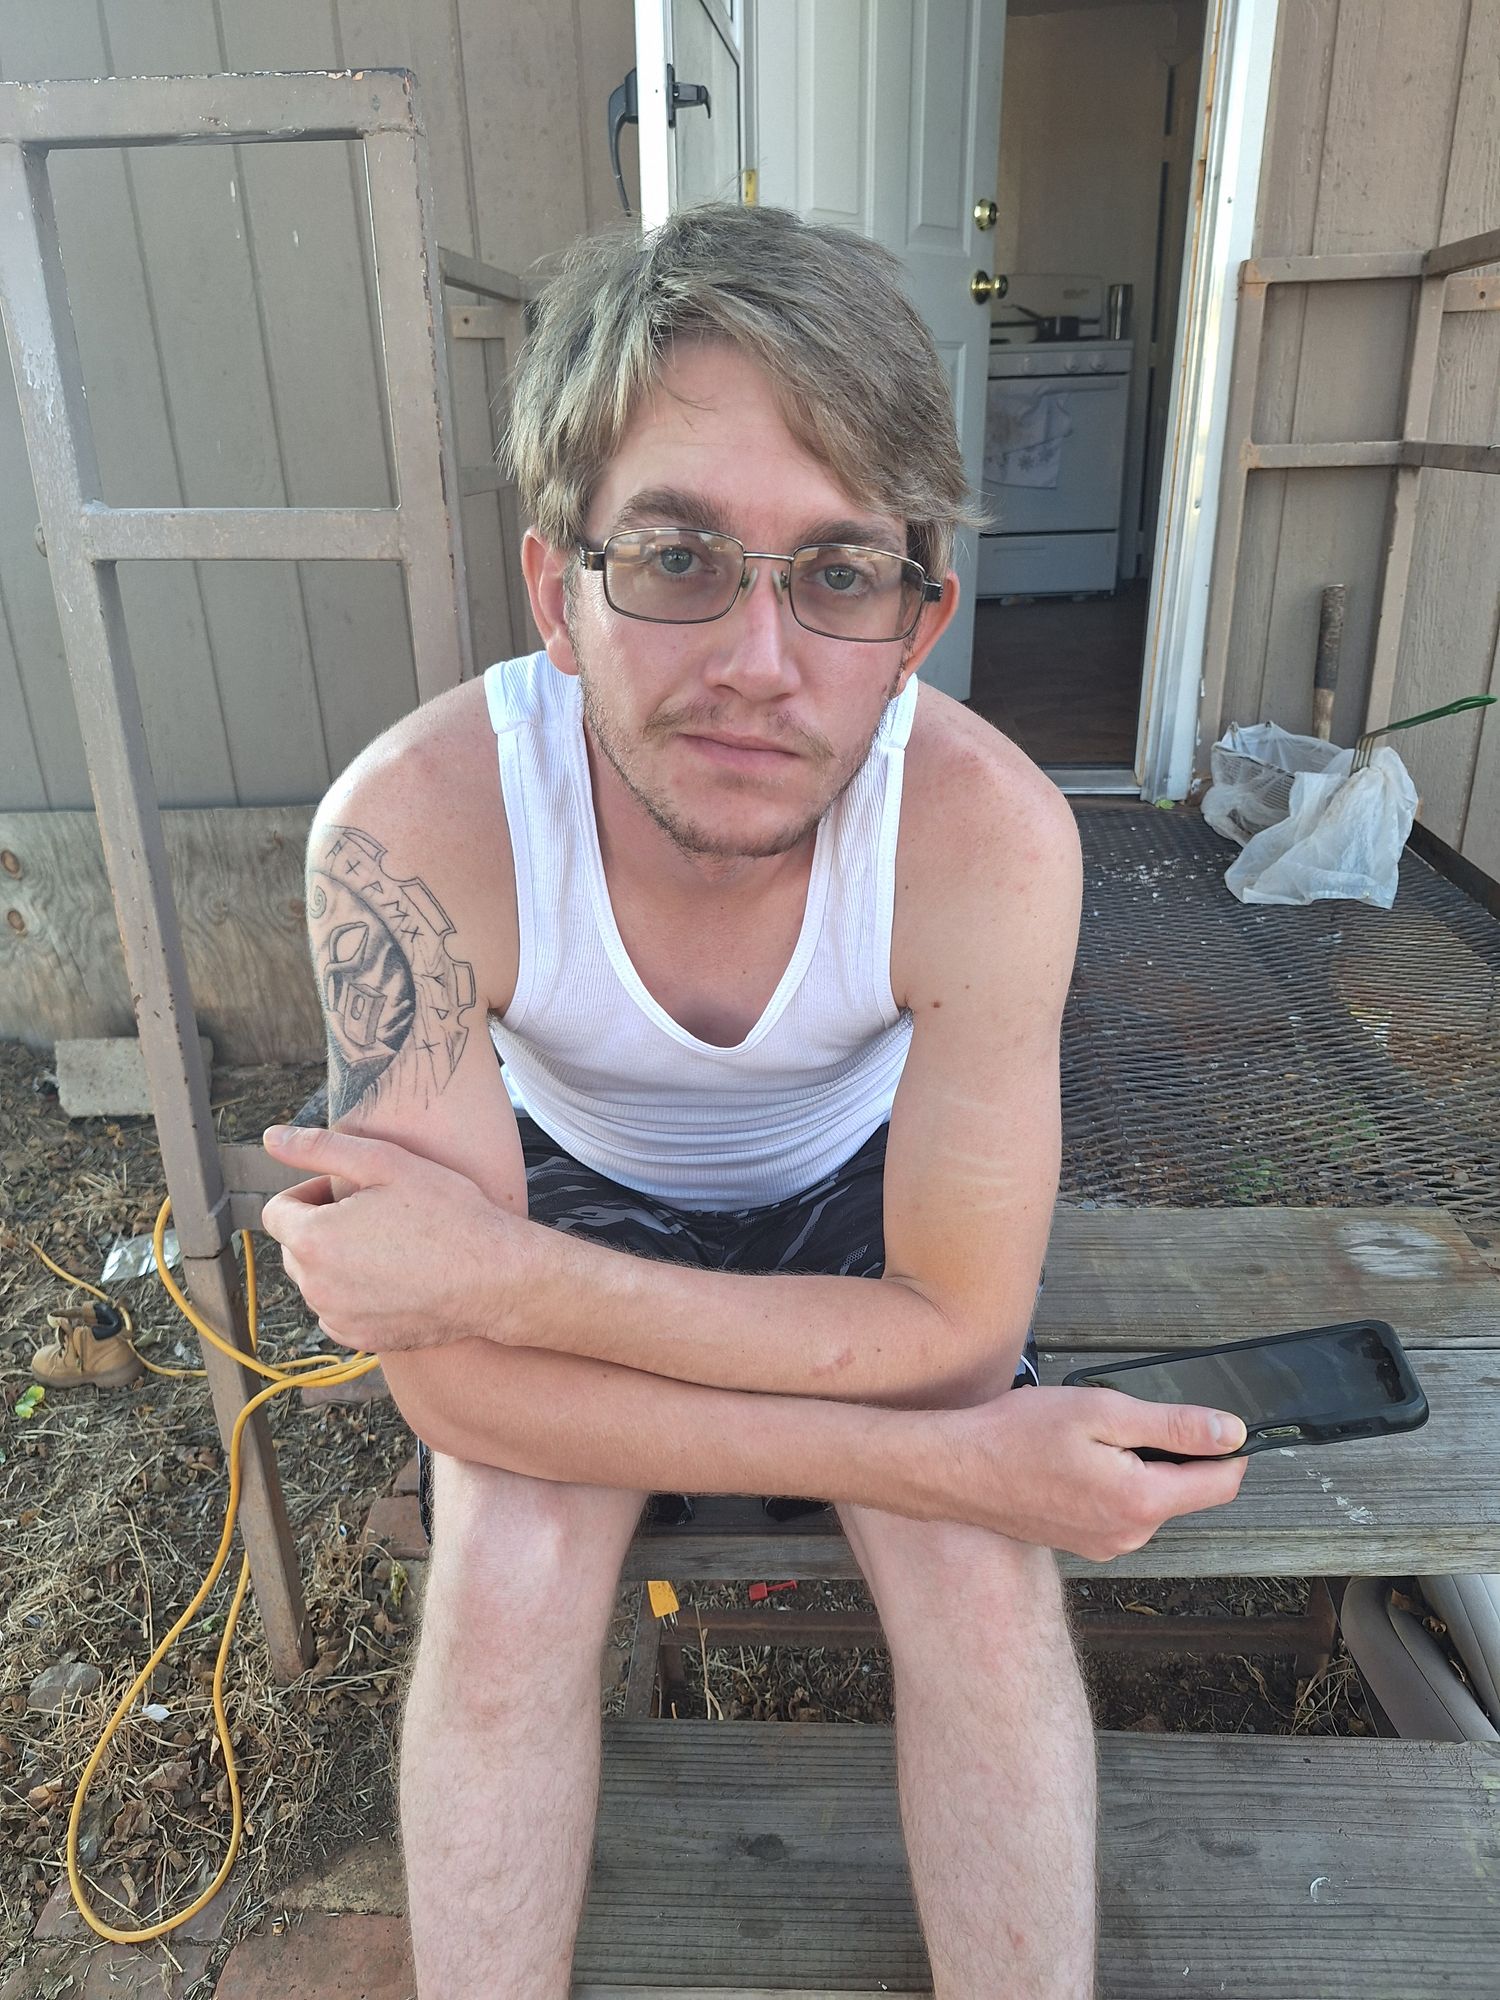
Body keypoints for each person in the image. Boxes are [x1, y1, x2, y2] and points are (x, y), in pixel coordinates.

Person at [260, 203, 1248, 2000]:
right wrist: (941, 1454)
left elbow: (952, 1325)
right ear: (560, 591)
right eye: (680, 557)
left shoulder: (989, 833)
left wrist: (503, 1281)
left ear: (919, 624)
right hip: (581, 1175)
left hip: (846, 1197)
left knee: (974, 1578)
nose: (760, 663)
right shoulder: (415, 830)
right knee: (509, 1566)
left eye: (839, 572)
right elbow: (450, 1381)